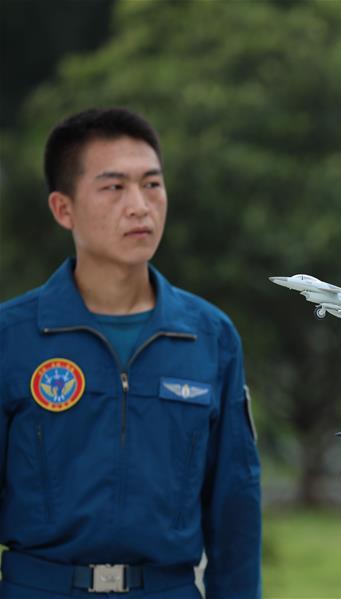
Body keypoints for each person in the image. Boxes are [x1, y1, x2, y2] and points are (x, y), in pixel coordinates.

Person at [0, 108, 261, 598]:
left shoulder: (210, 337)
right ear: (63, 208)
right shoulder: (12, 337)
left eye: (152, 184)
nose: (140, 206)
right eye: (114, 187)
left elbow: (236, 512)